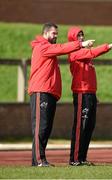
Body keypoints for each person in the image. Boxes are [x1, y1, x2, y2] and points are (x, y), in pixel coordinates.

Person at [28, 22, 95, 167]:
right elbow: (62, 48)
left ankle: (41, 160)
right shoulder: (42, 46)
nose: (56, 36)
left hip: (49, 92)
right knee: (41, 127)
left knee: (46, 128)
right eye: (53, 33)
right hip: (41, 91)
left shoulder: (48, 48)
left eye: (57, 34)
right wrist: (80, 44)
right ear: (45, 34)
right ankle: (38, 161)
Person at [67, 26, 112, 166]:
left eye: (82, 35)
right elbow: (93, 52)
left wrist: (93, 94)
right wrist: (110, 45)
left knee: (89, 126)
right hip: (81, 93)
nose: (81, 37)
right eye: (78, 35)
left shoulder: (84, 55)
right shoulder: (74, 52)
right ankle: (74, 159)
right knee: (81, 126)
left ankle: (82, 158)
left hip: (90, 94)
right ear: (73, 38)